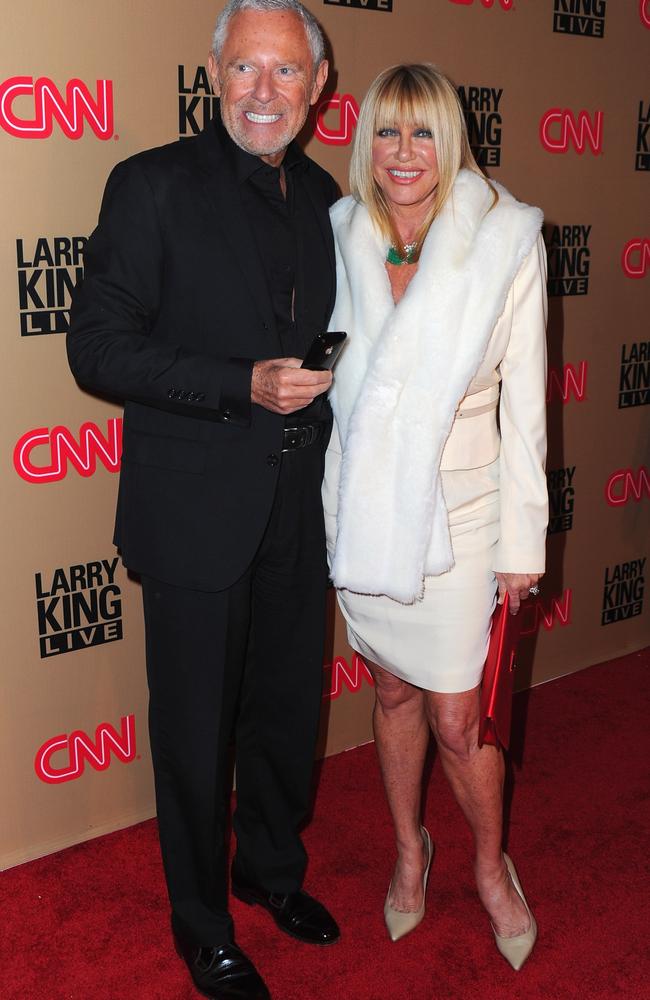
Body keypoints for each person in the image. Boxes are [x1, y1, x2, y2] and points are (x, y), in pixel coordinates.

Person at [68, 2, 341, 998]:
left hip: (295, 510)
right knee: (192, 732)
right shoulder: (150, 188)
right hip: (191, 515)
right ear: (214, 74)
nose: (261, 91)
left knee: (280, 716)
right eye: (244, 70)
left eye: (283, 73)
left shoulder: (326, 200)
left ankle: (269, 871)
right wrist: (241, 382)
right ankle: (201, 925)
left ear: (317, 90)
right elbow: (95, 346)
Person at [323, 64, 548, 971]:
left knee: (461, 719)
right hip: (369, 507)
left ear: (452, 140)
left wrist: (520, 543)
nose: (404, 154)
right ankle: (411, 849)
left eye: (423, 133)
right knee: (390, 690)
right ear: (365, 142)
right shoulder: (340, 231)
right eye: (387, 131)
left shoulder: (505, 238)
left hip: (465, 510)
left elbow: (527, 406)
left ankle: (491, 867)